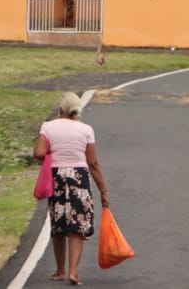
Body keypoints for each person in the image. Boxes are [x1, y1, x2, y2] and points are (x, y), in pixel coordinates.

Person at [34, 91, 109, 286]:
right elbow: (92, 163)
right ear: (77, 111)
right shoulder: (86, 130)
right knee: (77, 225)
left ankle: (59, 271)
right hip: (79, 178)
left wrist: (53, 155)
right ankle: (73, 272)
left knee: (59, 224)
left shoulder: (48, 126)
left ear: (60, 110)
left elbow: (39, 152)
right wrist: (103, 191)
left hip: (57, 177)